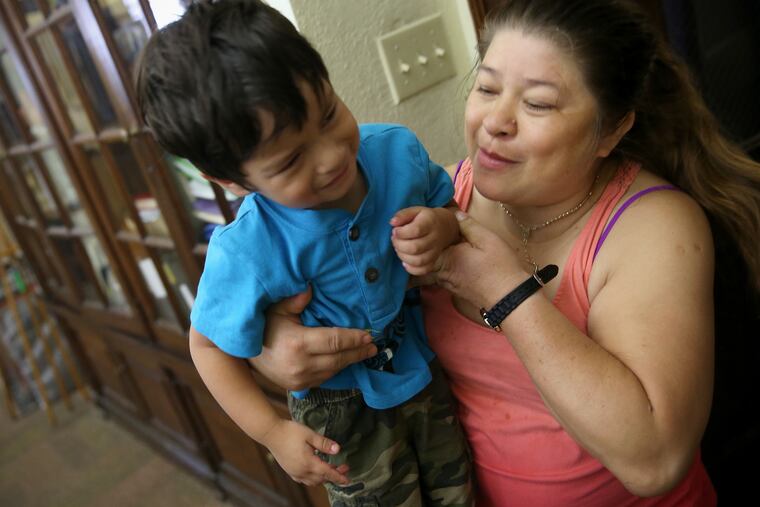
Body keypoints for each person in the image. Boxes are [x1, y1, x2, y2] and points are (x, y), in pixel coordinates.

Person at [252, 0, 760, 505]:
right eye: (488, 87)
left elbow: (655, 462)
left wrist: (505, 291)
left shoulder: (653, 226)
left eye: (537, 104)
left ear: (611, 131)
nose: (495, 120)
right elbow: (339, 302)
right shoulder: (444, 196)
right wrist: (275, 350)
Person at [135, 1, 473, 505]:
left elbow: (451, 209)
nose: (333, 154)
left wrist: (442, 225)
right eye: (291, 158)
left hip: (425, 369)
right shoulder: (248, 249)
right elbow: (208, 348)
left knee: (459, 492)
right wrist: (271, 432)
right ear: (231, 180)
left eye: (329, 113)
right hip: (339, 415)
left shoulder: (397, 152)